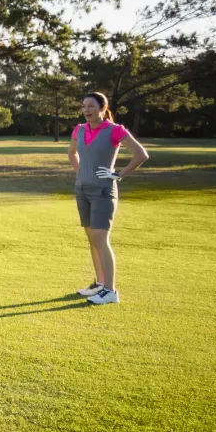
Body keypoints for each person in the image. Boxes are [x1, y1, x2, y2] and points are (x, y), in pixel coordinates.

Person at [69, 91, 149, 306]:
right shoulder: (79, 129)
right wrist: (81, 172)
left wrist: (119, 174)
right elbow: (72, 153)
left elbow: (141, 154)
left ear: (103, 109)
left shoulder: (115, 131)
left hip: (103, 192)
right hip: (82, 190)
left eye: (91, 106)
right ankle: (99, 284)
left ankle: (110, 290)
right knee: (91, 239)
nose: (86, 110)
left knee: (101, 239)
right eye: (84, 106)